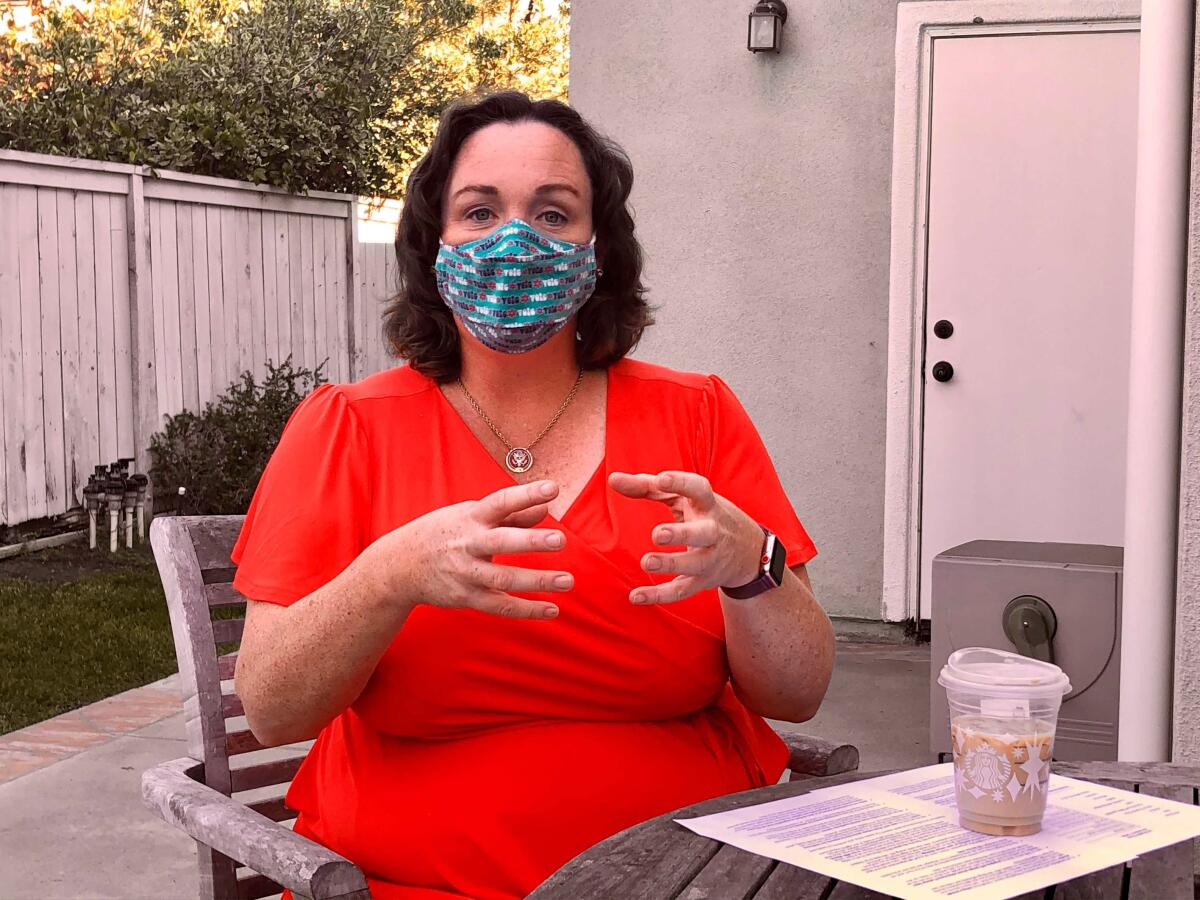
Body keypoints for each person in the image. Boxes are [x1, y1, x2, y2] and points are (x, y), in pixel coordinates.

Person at [231, 91, 835, 900]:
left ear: (599, 248)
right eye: (479, 212)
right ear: (433, 243)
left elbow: (797, 695)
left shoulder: (697, 413)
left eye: (554, 215)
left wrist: (749, 563)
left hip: (696, 877)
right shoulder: (348, 427)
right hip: (411, 882)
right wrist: (390, 574)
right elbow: (272, 708)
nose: (515, 241)